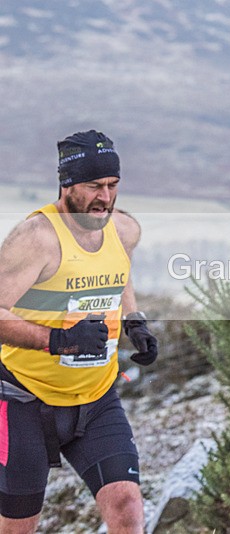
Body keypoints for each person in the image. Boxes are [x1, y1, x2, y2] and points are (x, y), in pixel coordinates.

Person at [0, 130, 158, 532]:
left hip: (95, 397)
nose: (104, 197)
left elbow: (119, 270)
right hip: (24, 400)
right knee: (20, 526)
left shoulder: (123, 229)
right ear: (66, 184)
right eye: (93, 187)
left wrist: (133, 320)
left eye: (112, 185)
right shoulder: (35, 238)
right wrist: (57, 340)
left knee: (127, 505)